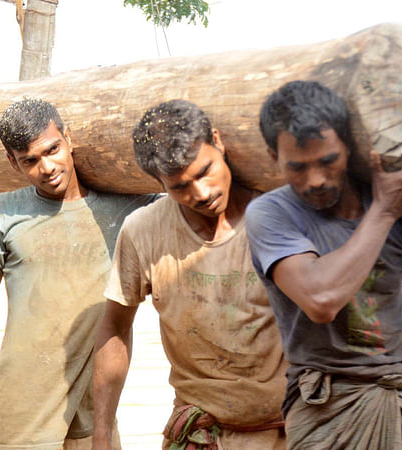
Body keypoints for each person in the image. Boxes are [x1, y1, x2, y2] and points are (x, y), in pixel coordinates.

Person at [244, 80, 402, 449]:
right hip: (328, 411)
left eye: (327, 161)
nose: (315, 180)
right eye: (297, 167)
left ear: (350, 148)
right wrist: (384, 211)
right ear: (274, 157)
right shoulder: (272, 214)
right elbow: (321, 300)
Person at [0, 98, 156, 450]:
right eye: (30, 161)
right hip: (21, 404)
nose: (47, 167)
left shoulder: (128, 207)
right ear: (13, 162)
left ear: (69, 138)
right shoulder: (3, 212)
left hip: (94, 408)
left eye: (52, 150)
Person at [93, 99, 288, 449]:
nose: (201, 193)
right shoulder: (144, 232)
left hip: (287, 432)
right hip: (200, 433)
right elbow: (115, 327)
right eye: (180, 186)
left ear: (218, 141)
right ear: (158, 183)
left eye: (204, 171)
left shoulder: (280, 220)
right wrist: (102, 433)